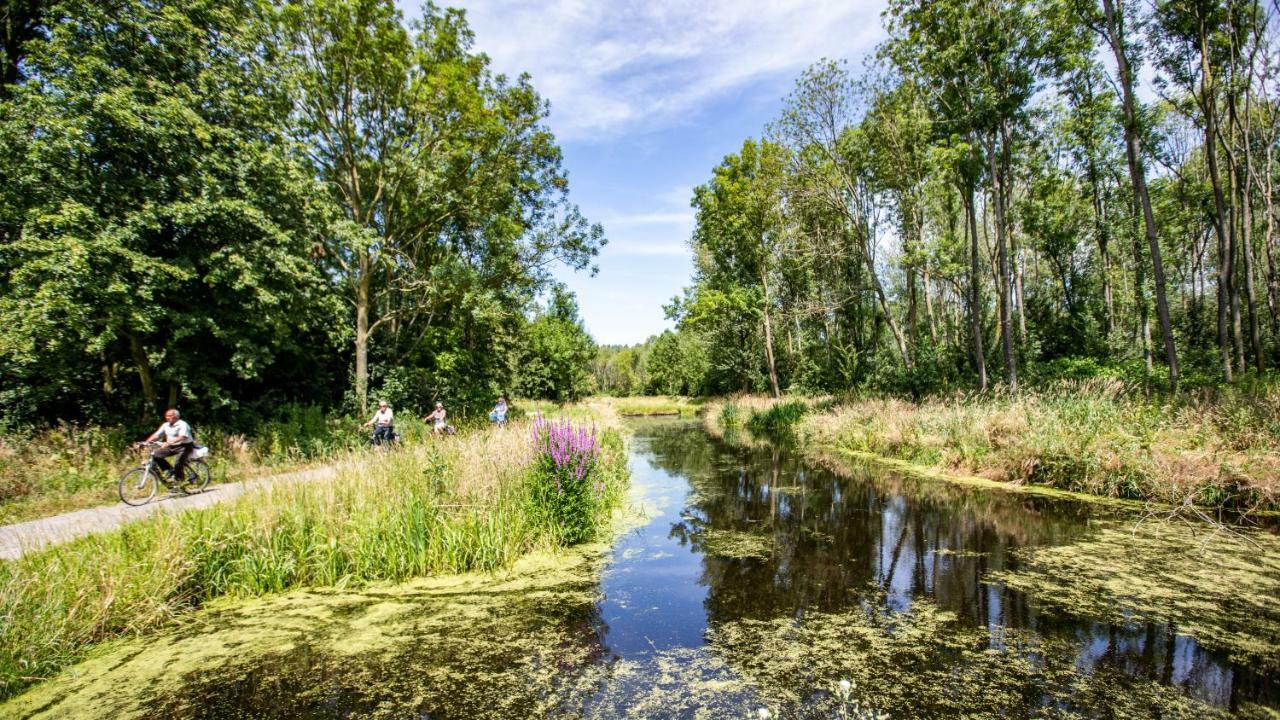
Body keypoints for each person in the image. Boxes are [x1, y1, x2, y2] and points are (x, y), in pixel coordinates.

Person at [143, 408, 195, 486]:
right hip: (172, 446)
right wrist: (146, 442)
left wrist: (169, 442)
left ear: (176, 416)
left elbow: (182, 437)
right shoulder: (165, 425)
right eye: (166, 416)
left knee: (178, 464)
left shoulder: (182, 424)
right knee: (155, 455)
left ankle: (180, 482)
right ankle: (169, 471)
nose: (167, 417)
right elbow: (157, 435)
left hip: (184, 446)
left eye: (170, 416)